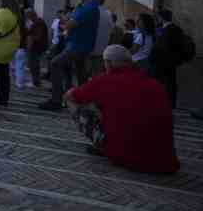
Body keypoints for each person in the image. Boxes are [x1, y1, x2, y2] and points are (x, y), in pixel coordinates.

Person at [65, 44, 180, 174]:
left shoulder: (104, 81)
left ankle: (102, 145)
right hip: (166, 162)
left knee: (74, 101)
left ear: (108, 63)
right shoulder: (155, 84)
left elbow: (72, 96)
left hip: (127, 157)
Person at [39, 0, 99, 111]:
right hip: (76, 45)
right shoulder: (83, 6)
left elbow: (69, 24)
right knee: (79, 72)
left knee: (55, 64)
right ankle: (82, 99)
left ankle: (56, 99)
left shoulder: (88, 8)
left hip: (78, 46)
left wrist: (65, 22)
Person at [150, 8, 192, 109]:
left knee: (167, 83)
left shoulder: (169, 30)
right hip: (168, 61)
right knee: (168, 83)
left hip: (166, 62)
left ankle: (168, 104)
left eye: (158, 17)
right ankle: (168, 103)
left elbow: (165, 47)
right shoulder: (171, 28)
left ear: (161, 18)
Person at [89, 0, 114, 76]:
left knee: (85, 73)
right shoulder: (108, 14)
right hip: (102, 49)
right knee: (97, 73)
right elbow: (111, 30)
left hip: (89, 48)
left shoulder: (90, 11)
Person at [25, 10, 49, 87]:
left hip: (36, 46)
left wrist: (30, 37)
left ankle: (36, 82)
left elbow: (38, 36)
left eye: (28, 17)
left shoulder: (38, 23)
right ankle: (35, 81)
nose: (28, 19)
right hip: (36, 46)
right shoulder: (37, 22)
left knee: (34, 64)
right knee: (34, 64)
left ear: (31, 16)